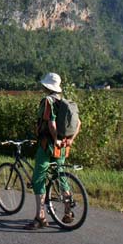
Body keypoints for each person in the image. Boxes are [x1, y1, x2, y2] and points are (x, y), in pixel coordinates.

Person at [25, 72, 81, 230]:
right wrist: (70, 140)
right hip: (64, 146)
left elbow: (51, 123)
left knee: (39, 178)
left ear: (46, 86)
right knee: (61, 175)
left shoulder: (47, 101)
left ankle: (40, 217)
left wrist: (55, 138)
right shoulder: (64, 102)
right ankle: (68, 212)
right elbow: (79, 124)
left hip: (47, 145)